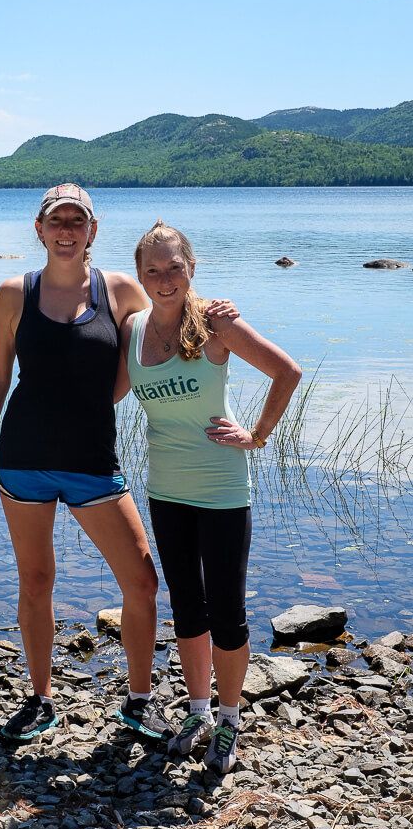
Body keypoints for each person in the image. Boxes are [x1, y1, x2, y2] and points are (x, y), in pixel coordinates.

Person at [0, 185, 238, 743]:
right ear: (39, 229)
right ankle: (41, 698)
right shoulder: (12, 293)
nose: (66, 229)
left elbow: (168, 321)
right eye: (56, 220)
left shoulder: (119, 289)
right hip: (23, 459)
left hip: (93, 459)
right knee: (36, 580)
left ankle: (138, 701)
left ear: (93, 229)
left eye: (77, 220)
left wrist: (218, 313)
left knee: (141, 580)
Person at [118, 220, 302, 773]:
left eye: (175, 267)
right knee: (187, 608)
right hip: (165, 491)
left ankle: (228, 720)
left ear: (191, 268)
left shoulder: (216, 323)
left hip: (222, 490)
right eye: (153, 270)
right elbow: (100, 395)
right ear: (141, 277)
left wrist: (257, 436)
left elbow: (285, 372)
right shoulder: (132, 330)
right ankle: (197, 710)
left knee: (227, 611)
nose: (165, 278)